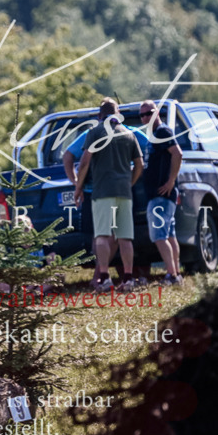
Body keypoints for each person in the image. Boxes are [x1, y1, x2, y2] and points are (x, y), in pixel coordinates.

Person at [72, 98, 144, 292]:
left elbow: (85, 162)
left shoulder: (95, 132)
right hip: (124, 192)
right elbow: (139, 164)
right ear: (118, 113)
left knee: (102, 236)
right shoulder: (129, 134)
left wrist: (78, 187)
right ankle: (128, 279)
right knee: (125, 237)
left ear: (99, 115)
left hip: (102, 191)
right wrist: (130, 182)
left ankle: (104, 278)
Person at [140, 100, 184, 285]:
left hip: (161, 195)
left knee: (159, 236)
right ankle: (176, 273)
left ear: (157, 112)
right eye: (142, 115)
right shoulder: (155, 135)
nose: (146, 117)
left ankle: (171, 275)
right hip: (161, 195)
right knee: (170, 235)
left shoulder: (163, 132)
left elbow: (177, 154)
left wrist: (171, 181)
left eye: (149, 113)